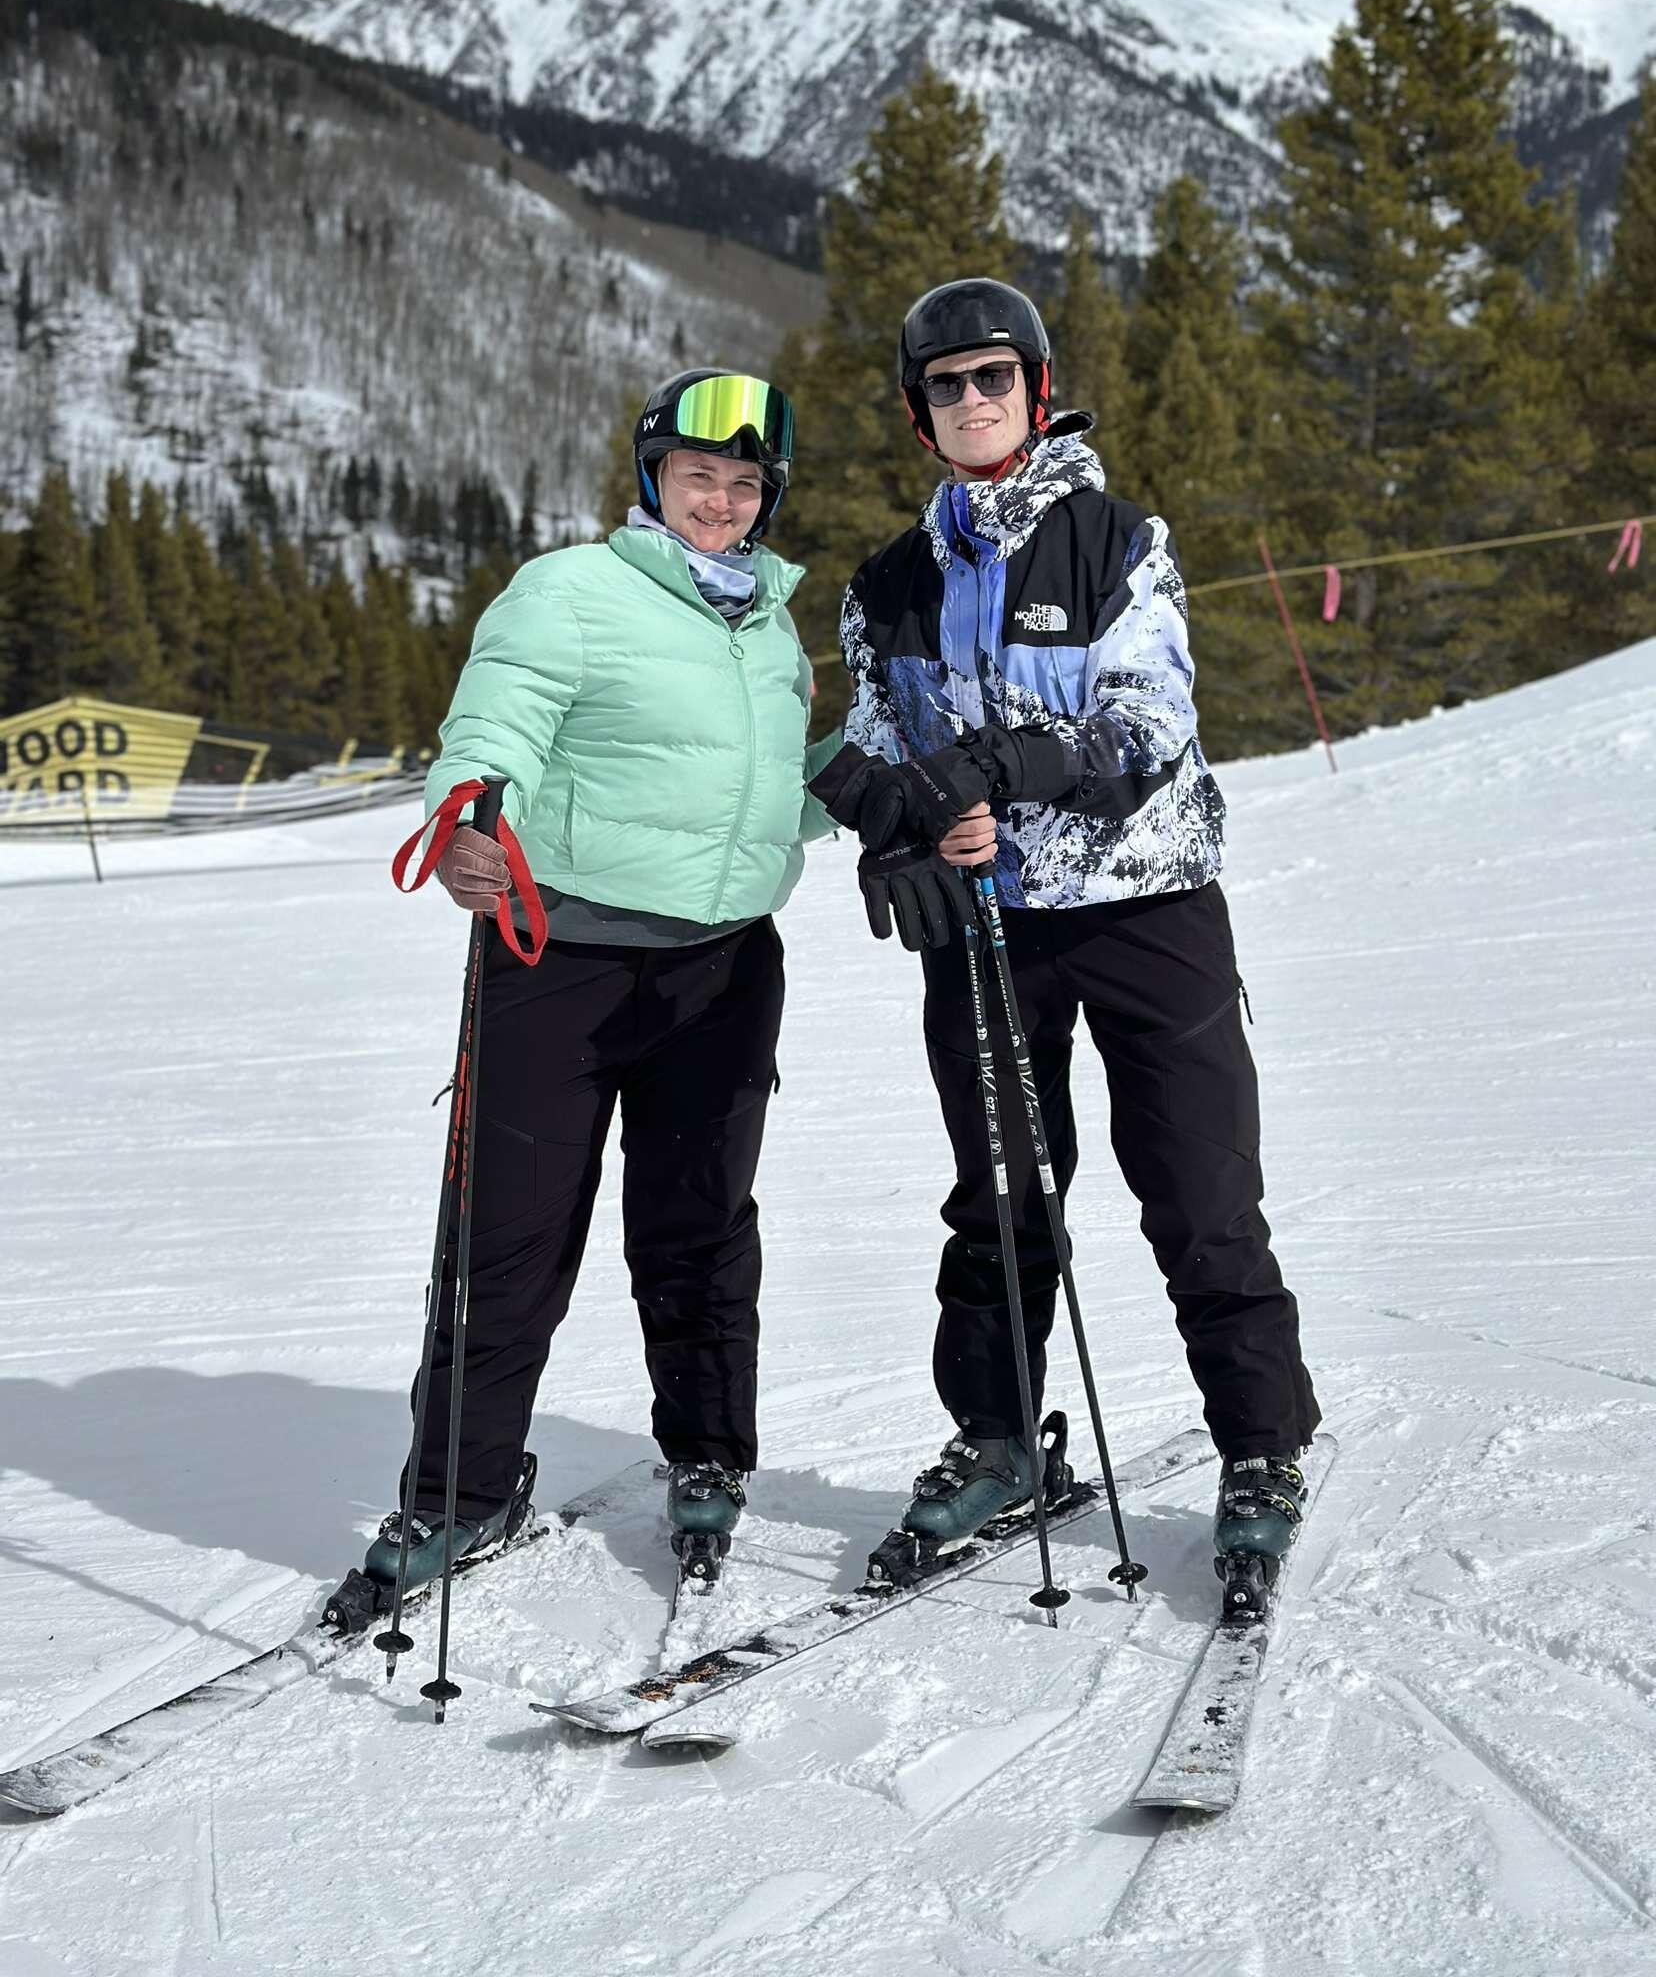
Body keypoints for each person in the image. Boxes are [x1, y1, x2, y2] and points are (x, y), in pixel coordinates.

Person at [810, 278, 1319, 1577]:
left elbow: (1147, 725)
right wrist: (893, 831)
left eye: (995, 376)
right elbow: (873, 747)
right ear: (919, 414)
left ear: (1038, 391)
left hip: (1146, 907)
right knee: (998, 1197)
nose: (972, 399)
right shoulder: (886, 587)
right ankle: (999, 1443)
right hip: (989, 928)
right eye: (946, 385)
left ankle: (1261, 1447)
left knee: (1198, 1192)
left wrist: (995, 768)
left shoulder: (1117, 543)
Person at [360, 368, 838, 1596]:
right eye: (697, 475)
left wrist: (867, 781)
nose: (720, 500)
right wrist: (468, 809)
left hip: (725, 970)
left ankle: (710, 1455)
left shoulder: (770, 628)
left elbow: (756, 800)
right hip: (557, 959)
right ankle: (458, 1495)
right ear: (651, 479)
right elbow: (495, 724)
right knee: (507, 1233)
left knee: (701, 1228)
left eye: (745, 483)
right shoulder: (569, 590)